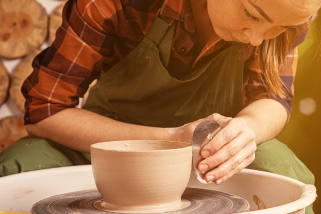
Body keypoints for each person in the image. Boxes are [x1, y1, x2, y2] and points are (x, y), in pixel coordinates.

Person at [0, 0, 319, 212]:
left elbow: (274, 98)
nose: (256, 39)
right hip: (108, 140)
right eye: (251, 14)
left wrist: (247, 128)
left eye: (280, 29)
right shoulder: (114, 2)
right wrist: (171, 139)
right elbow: (45, 110)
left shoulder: (284, 12)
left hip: (208, 149)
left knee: (288, 175)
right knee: (20, 163)